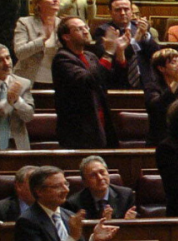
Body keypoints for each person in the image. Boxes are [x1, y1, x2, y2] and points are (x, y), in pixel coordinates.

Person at [53, 17, 127, 149]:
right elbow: (88, 81)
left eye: (85, 27)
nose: (86, 31)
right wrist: (109, 52)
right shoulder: (62, 59)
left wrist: (119, 52)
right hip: (79, 130)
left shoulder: (90, 56)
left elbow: (112, 80)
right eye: (79, 29)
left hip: (100, 123)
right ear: (66, 37)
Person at [15, 0, 62, 87]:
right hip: (29, 78)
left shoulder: (63, 24)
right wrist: (42, 40)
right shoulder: (25, 23)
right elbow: (20, 53)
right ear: (38, 3)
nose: (55, 0)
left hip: (58, 79)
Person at [67, 155, 137, 220]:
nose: (100, 178)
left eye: (102, 172)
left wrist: (127, 222)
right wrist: (102, 221)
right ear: (85, 182)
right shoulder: (74, 204)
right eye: (93, 175)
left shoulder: (126, 195)